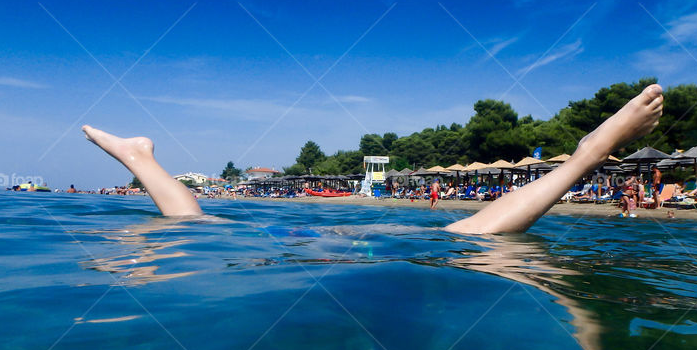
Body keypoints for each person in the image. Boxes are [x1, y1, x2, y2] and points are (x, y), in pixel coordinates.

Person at [82, 84, 664, 234]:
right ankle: (589, 155)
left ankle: (142, 160)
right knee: (468, 241)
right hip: (344, 246)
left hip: (337, 245)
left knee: (194, 227)